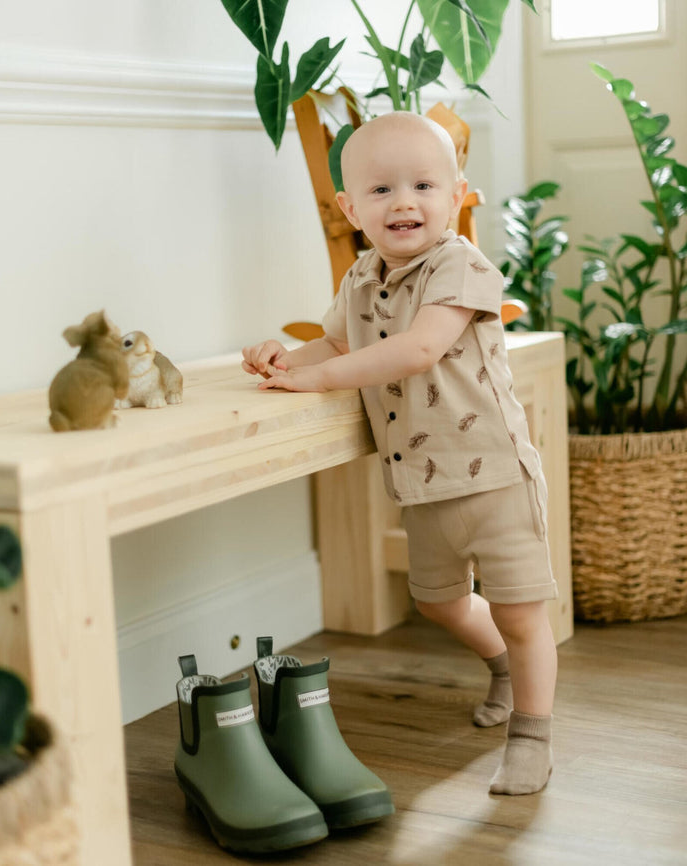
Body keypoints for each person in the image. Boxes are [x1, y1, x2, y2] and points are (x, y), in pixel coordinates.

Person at [242, 111, 558, 795]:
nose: (405, 202)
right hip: (420, 478)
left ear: (457, 195)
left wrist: (323, 376)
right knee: (440, 601)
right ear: (350, 208)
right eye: (382, 191)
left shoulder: (462, 266)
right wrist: (284, 358)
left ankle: (532, 733)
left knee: (521, 609)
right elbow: (337, 343)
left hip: (494, 472)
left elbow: (417, 349)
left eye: (423, 185)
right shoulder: (361, 277)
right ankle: (503, 667)